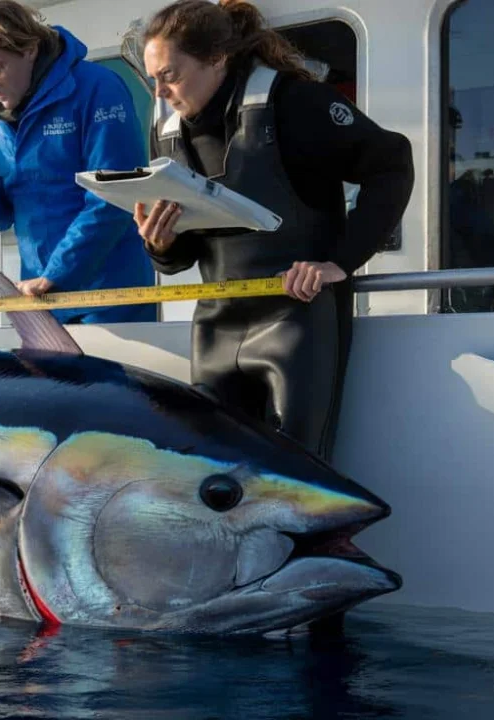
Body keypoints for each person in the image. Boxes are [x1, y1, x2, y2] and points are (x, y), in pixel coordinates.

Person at [136, 0, 414, 460]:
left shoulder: (295, 103)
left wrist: (340, 262)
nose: (161, 91)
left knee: (297, 478)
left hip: (297, 317)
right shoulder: (167, 130)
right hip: (216, 324)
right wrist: (161, 245)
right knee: (214, 473)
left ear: (215, 59)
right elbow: (182, 255)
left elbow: (392, 164)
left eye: (170, 74)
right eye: (153, 79)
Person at [0, 0, 156, 325]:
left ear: (30, 50)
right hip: (40, 298)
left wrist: (56, 275)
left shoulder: (98, 88)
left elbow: (114, 198)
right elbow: (3, 214)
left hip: (108, 297)